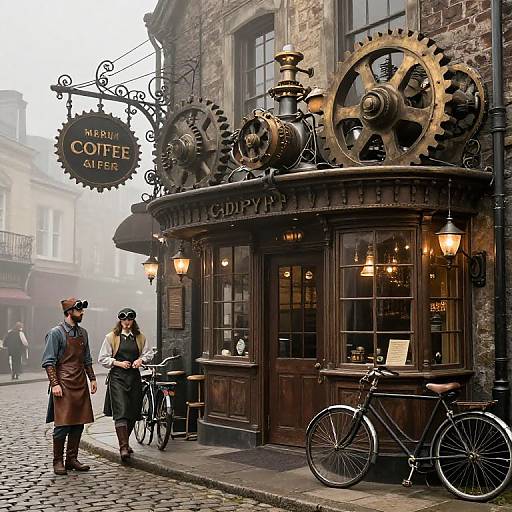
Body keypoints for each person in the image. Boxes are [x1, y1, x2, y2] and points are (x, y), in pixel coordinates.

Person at [41, 298, 97, 475]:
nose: (82, 313)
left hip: (80, 382)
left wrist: (92, 379)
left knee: (79, 423)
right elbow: (49, 361)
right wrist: (54, 383)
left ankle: (71, 459)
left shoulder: (83, 333)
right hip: (63, 383)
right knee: (63, 425)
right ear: (69, 312)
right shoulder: (55, 333)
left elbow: (86, 358)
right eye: (79, 310)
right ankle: (57, 461)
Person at [98, 308, 153, 462]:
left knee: (133, 411)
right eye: (124, 321)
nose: (127, 323)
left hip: (134, 377)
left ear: (133, 321)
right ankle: (123, 447)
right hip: (117, 378)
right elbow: (102, 358)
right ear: (120, 321)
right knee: (121, 411)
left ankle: (125, 443)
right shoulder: (111, 337)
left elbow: (148, 353)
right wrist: (118, 363)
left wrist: (140, 360)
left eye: (129, 320)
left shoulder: (140, 338)